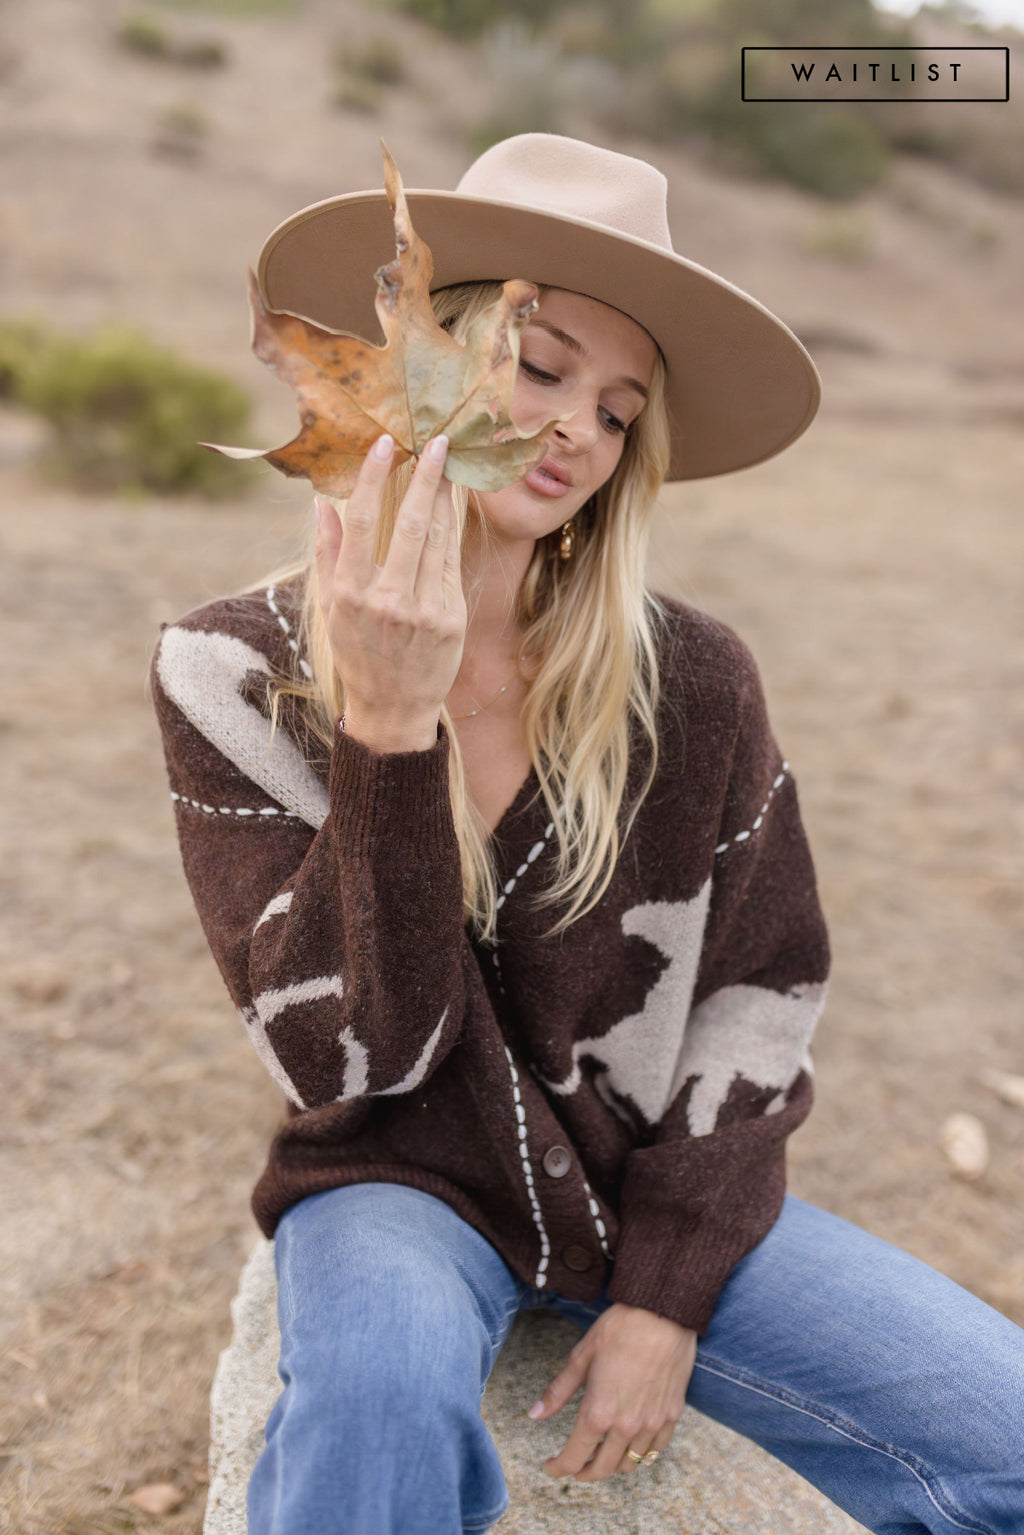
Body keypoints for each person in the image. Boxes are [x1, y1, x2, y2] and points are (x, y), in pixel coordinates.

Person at [149, 134, 1024, 1535]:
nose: (577, 431)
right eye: (539, 365)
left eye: (619, 409)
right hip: (397, 1183)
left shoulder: (695, 679)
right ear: (418, 354)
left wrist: (671, 1285)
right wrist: (385, 730)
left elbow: (763, 988)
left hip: (645, 1188)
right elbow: (344, 1057)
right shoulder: (232, 669)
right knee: (373, 1410)